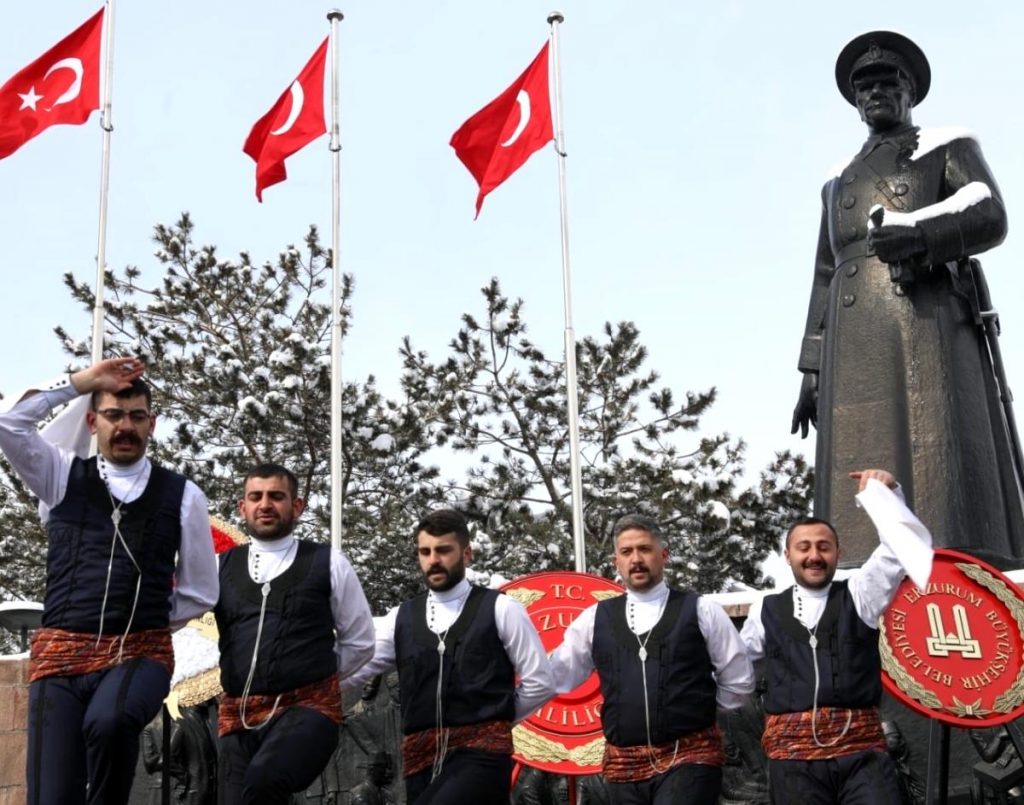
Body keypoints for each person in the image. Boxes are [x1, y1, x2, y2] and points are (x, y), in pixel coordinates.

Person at [790, 30, 1024, 567]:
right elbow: (826, 272)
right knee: (856, 456)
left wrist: (919, 235)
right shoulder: (837, 182)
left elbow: (989, 213)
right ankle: (857, 563)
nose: (875, 93)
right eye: (863, 87)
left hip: (925, 316)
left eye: (887, 82)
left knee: (936, 441)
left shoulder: (946, 147)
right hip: (854, 336)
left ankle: (958, 555)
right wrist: (811, 369)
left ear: (909, 91)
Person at [0, 356, 218, 804]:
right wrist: (81, 381)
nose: (126, 427)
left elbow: (199, 591)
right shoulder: (59, 475)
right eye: (115, 415)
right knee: (49, 795)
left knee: (110, 721)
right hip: (60, 658)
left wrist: (148, 615)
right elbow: (9, 423)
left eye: (137, 417)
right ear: (92, 420)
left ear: (151, 424)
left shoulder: (183, 495)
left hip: (138, 652)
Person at [740, 468, 934, 804]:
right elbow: (733, 667)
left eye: (823, 547)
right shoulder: (765, 609)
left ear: (837, 554)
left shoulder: (861, 593)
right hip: (792, 762)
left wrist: (887, 495)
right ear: (788, 556)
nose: (814, 555)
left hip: (862, 757)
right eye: (804, 547)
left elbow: (900, 547)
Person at [342, 508, 556, 804]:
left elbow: (540, 682)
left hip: (482, 755)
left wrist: (496, 720)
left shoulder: (501, 609)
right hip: (421, 759)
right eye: (425, 551)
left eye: (444, 550)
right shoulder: (400, 618)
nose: (434, 560)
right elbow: (353, 666)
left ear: (466, 554)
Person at [549, 514, 755, 804]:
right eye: (626, 552)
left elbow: (740, 684)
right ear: (615, 562)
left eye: (644, 549)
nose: (636, 559)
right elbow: (558, 675)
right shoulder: (595, 619)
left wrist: (694, 709)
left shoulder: (701, 610)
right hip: (623, 766)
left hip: (690, 758)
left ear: (664, 555)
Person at [214, 462, 375, 803]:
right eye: (255, 497)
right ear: (243, 507)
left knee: (263, 782)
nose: (265, 504)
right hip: (238, 716)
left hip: (308, 710)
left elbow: (360, 641)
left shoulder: (328, 562)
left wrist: (316, 680)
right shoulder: (220, 567)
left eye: (276, 496)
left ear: (297, 506)